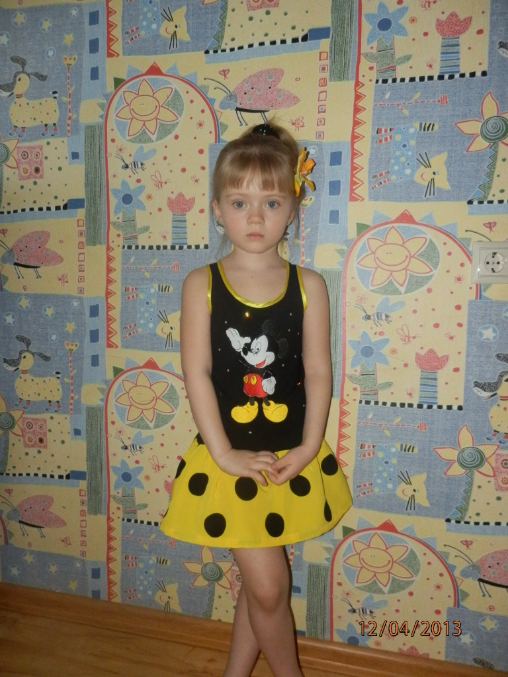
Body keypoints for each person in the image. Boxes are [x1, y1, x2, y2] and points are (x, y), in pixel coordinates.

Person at [160, 122, 352, 677]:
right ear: (218, 210)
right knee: (270, 587)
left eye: (271, 202)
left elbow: (319, 372)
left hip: (290, 455)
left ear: (292, 209)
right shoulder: (201, 284)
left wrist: (310, 445)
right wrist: (224, 454)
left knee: (261, 585)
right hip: (229, 460)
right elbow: (196, 373)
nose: (255, 217)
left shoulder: (308, 285)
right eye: (240, 202)